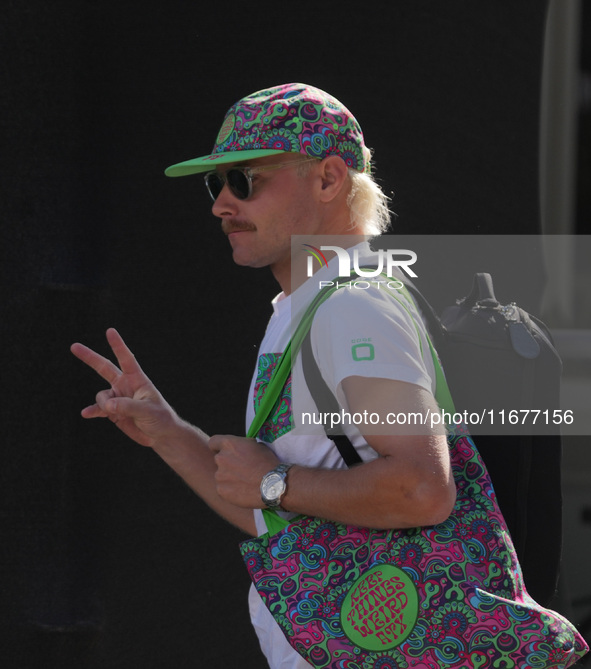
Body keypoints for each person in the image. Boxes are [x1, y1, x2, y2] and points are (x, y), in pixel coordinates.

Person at [71, 83, 456, 668]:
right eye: (215, 183)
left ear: (329, 180)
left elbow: (421, 490)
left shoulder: (352, 306)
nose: (221, 204)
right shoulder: (303, 307)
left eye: (244, 180)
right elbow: (274, 512)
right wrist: (170, 435)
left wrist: (276, 479)